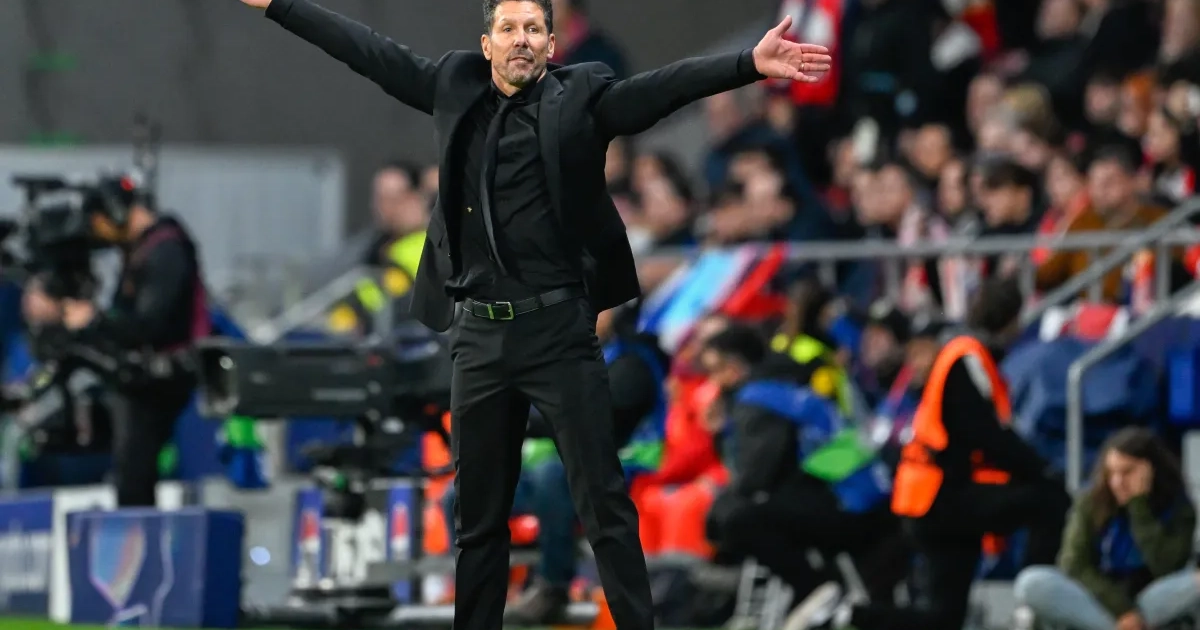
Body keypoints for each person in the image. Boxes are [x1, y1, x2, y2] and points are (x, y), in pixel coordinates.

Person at [241, 1, 833, 626]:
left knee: (604, 505)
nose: (520, 39)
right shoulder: (453, 86)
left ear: (552, 45)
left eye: (533, 29)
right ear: (487, 43)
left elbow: (660, 90)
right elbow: (364, 48)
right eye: (508, 29)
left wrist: (748, 64)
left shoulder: (582, 97)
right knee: (478, 521)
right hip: (479, 333)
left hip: (558, 330)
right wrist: (282, 5)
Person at [813, 276, 1072, 630]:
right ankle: (1034, 603)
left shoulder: (954, 357)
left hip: (926, 501)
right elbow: (987, 435)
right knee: (1049, 499)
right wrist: (1039, 468)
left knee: (943, 620)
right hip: (941, 499)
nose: (914, 361)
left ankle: (847, 617)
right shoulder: (963, 360)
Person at [440, 303, 670, 623]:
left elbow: (595, 417)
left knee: (551, 474)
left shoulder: (633, 363)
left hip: (622, 471)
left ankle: (553, 585)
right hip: (566, 474)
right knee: (464, 492)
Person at [24, 175, 208, 506]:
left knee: (135, 471)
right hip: (137, 377)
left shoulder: (166, 250)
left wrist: (93, 320)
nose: (98, 234)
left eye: (98, 222)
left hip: (160, 379)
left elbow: (151, 325)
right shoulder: (141, 251)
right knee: (127, 469)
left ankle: (137, 523)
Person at [698, 325, 898, 620]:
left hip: (847, 508)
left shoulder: (755, 400)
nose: (713, 380)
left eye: (716, 369)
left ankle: (816, 590)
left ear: (736, 366)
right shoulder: (787, 383)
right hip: (867, 498)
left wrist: (716, 516)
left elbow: (755, 476)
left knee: (737, 520)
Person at [1014, 428, 1200, 630]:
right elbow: (1074, 565)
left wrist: (1139, 505)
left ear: (1151, 471)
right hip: (1099, 599)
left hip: (1151, 599)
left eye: (1127, 472)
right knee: (1031, 582)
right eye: (1112, 473)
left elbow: (1167, 567)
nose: (1118, 482)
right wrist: (1123, 611)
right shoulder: (1091, 503)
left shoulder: (1178, 507)